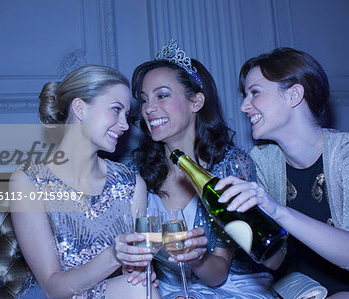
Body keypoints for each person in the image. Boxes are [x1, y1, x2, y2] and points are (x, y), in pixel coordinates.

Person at [130, 40, 274, 299]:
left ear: (196, 102)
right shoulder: (135, 171)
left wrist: (195, 258)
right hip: (162, 290)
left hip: (231, 288)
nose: (148, 109)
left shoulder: (232, 166)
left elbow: (218, 273)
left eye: (162, 95)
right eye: (144, 100)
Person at [10, 64, 161, 299]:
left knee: (141, 288)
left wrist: (139, 273)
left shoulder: (130, 184)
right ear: (80, 108)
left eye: (127, 116)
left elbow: (134, 269)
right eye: (115, 109)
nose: (124, 125)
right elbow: (51, 288)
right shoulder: (28, 182)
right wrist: (113, 256)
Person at [216, 47, 349, 297]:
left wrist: (278, 211)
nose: (245, 106)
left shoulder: (344, 155)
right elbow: (275, 261)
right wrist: (244, 227)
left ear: (294, 95)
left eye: (254, 92)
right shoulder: (262, 162)